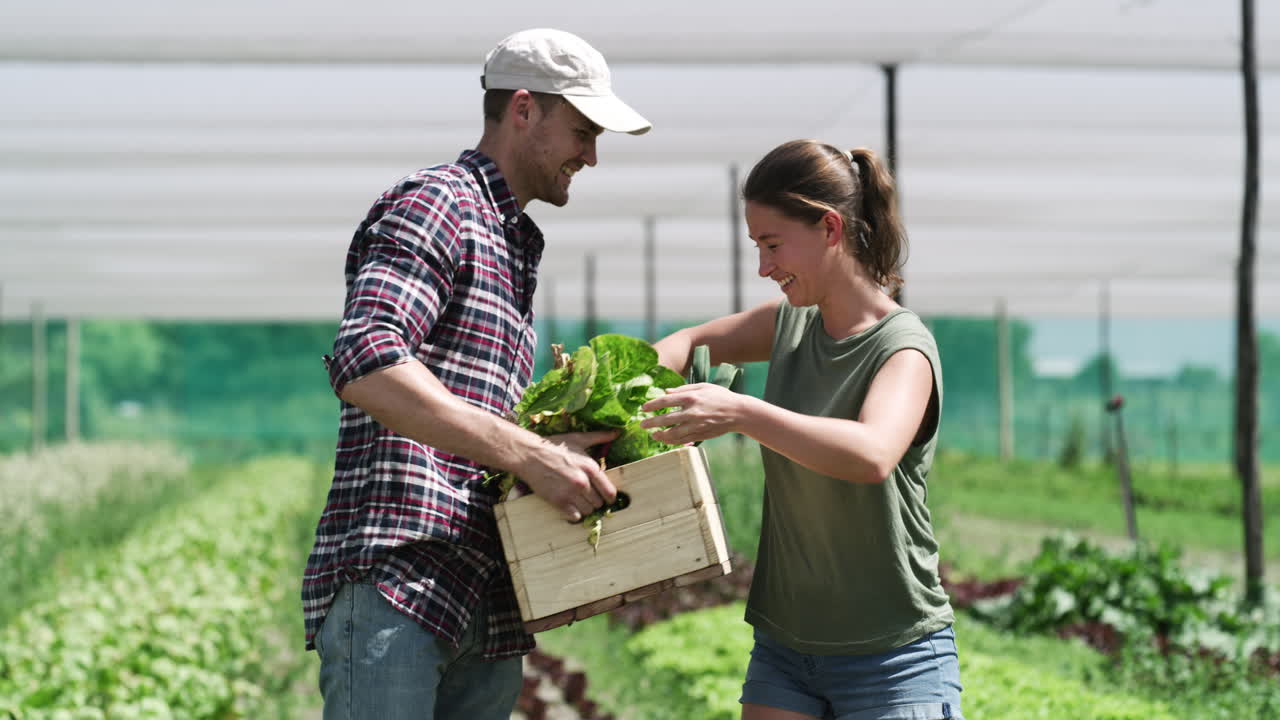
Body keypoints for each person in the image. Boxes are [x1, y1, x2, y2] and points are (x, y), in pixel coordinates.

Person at [301, 28, 651, 720]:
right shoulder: (441, 204)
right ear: (523, 110)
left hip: (485, 601)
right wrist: (529, 453)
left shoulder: (511, 242)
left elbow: (467, 419)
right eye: (582, 131)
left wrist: (553, 454)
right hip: (400, 583)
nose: (591, 155)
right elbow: (369, 358)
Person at [641, 139, 963, 720]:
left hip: (894, 657)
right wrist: (630, 399)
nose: (764, 267)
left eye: (772, 244)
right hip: (785, 648)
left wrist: (741, 412)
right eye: (756, 247)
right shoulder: (789, 324)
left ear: (830, 229)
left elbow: (871, 454)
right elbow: (684, 344)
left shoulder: (903, 348)